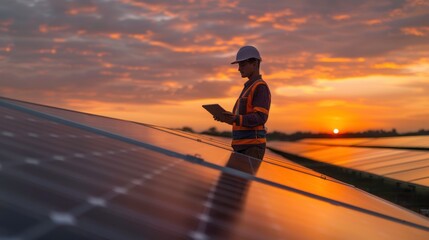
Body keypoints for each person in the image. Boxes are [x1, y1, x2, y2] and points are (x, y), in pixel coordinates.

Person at [214, 46, 271, 160]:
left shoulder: (260, 87)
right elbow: (242, 119)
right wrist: (227, 118)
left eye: (242, 64)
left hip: (252, 147)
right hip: (242, 146)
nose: (239, 69)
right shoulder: (248, 87)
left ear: (254, 63)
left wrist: (235, 118)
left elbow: (260, 117)